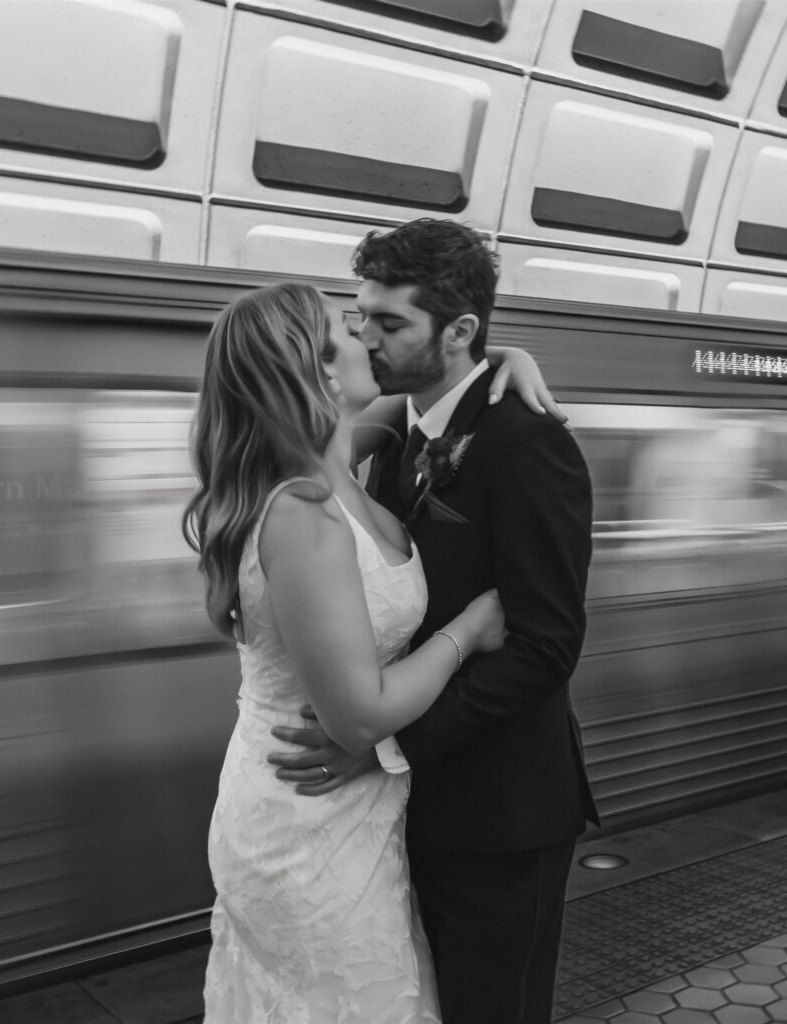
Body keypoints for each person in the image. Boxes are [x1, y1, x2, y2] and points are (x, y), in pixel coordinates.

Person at [183, 281, 556, 1022]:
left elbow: (446, 382)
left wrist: (500, 353)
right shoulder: (301, 515)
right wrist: (467, 632)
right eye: (351, 330)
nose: (370, 337)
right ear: (319, 372)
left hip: (352, 814)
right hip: (305, 818)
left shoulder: (348, 453)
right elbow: (358, 719)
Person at [269, 219, 599, 1024]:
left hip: (499, 815)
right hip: (409, 809)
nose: (366, 340)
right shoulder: (391, 437)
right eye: (361, 319)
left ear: (458, 332)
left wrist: (385, 747)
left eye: (390, 323)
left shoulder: (526, 446)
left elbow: (546, 647)